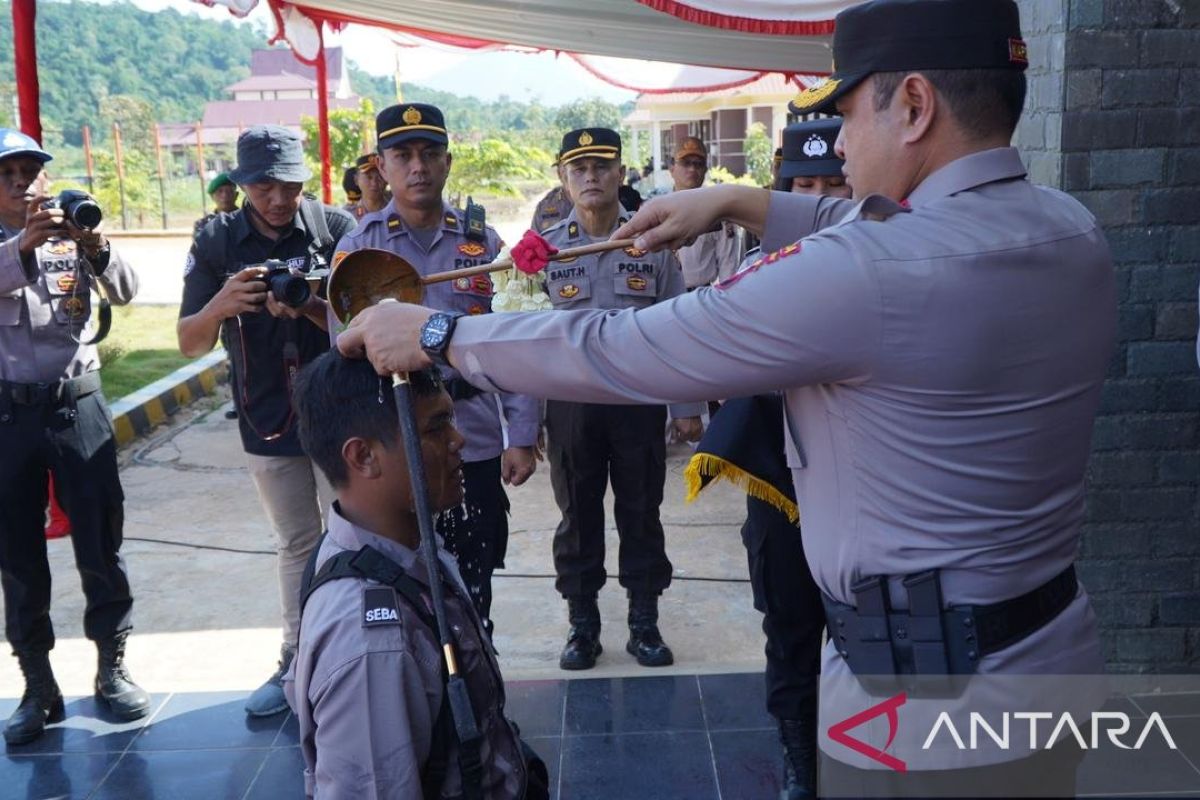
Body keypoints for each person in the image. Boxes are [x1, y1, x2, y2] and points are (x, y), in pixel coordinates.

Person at [335, 0, 1116, 794]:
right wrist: (740, 200)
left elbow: (628, 348)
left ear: (913, 105)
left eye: (846, 114)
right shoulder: (1069, 227)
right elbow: (886, 223)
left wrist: (440, 337)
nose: (840, 145)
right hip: (1049, 655)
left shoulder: (867, 272)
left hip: (917, 691)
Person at [283, 352, 539, 799]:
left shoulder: (402, 545)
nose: (459, 440)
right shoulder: (372, 644)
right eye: (435, 428)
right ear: (363, 456)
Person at [330, 103, 539, 635]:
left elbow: (509, 338)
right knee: (401, 578)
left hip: (473, 436)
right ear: (381, 166)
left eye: (429, 153)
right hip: (395, 440)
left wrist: (521, 433)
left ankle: (479, 676)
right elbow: (344, 348)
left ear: (447, 162)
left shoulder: (482, 244)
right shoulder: (360, 248)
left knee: (476, 573)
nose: (418, 166)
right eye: (403, 155)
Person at [688, 118, 849, 800]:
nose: (815, 201)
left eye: (831, 186)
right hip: (780, 483)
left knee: (865, 635)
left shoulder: (890, 274)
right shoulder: (755, 278)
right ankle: (797, 761)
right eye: (801, 186)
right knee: (788, 626)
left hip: (861, 493)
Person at [177, 125, 356, 718]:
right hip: (265, 415)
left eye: (288, 184)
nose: (278, 199)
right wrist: (222, 304)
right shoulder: (217, 240)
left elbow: (369, 324)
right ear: (240, 184)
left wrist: (309, 304)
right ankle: (297, 658)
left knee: (355, 535)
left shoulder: (336, 230)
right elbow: (188, 342)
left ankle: (360, 652)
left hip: (343, 409)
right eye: (262, 186)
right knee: (299, 543)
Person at [531, 127, 703, 671]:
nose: (590, 177)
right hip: (571, 405)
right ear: (562, 178)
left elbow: (679, 326)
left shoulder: (650, 243)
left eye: (601, 166)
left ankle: (643, 622)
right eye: (578, 168)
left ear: (620, 173)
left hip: (637, 402)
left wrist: (685, 408)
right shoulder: (547, 251)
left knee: (641, 512)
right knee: (577, 517)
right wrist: (525, 421)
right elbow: (526, 333)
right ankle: (583, 626)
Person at [0, 129, 148, 744]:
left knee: (100, 541)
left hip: (78, 404)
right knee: (18, 556)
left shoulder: (73, 231)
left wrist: (96, 244)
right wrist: (21, 250)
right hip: (9, 415)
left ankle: (111, 668)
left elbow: (129, 291)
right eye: (6, 175)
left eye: (29, 172)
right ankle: (37, 685)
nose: (20, 184)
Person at [669, 136, 743, 288]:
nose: (692, 169)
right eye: (686, 163)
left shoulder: (718, 212)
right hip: (661, 300)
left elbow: (729, 266)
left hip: (699, 297)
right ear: (671, 168)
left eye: (698, 164)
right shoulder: (655, 211)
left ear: (705, 170)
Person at [530, 158, 573, 233]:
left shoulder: (594, 198)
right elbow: (535, 239)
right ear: (559, 174)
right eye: (563, 170)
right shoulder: (546, 204)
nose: (566, 174)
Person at [194, 172, 239, 237]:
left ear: (236, 195)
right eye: (220, 191)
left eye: (229, 191)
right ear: (212, 196)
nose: (224, 195)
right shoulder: (203, 224)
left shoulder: (247, 220)